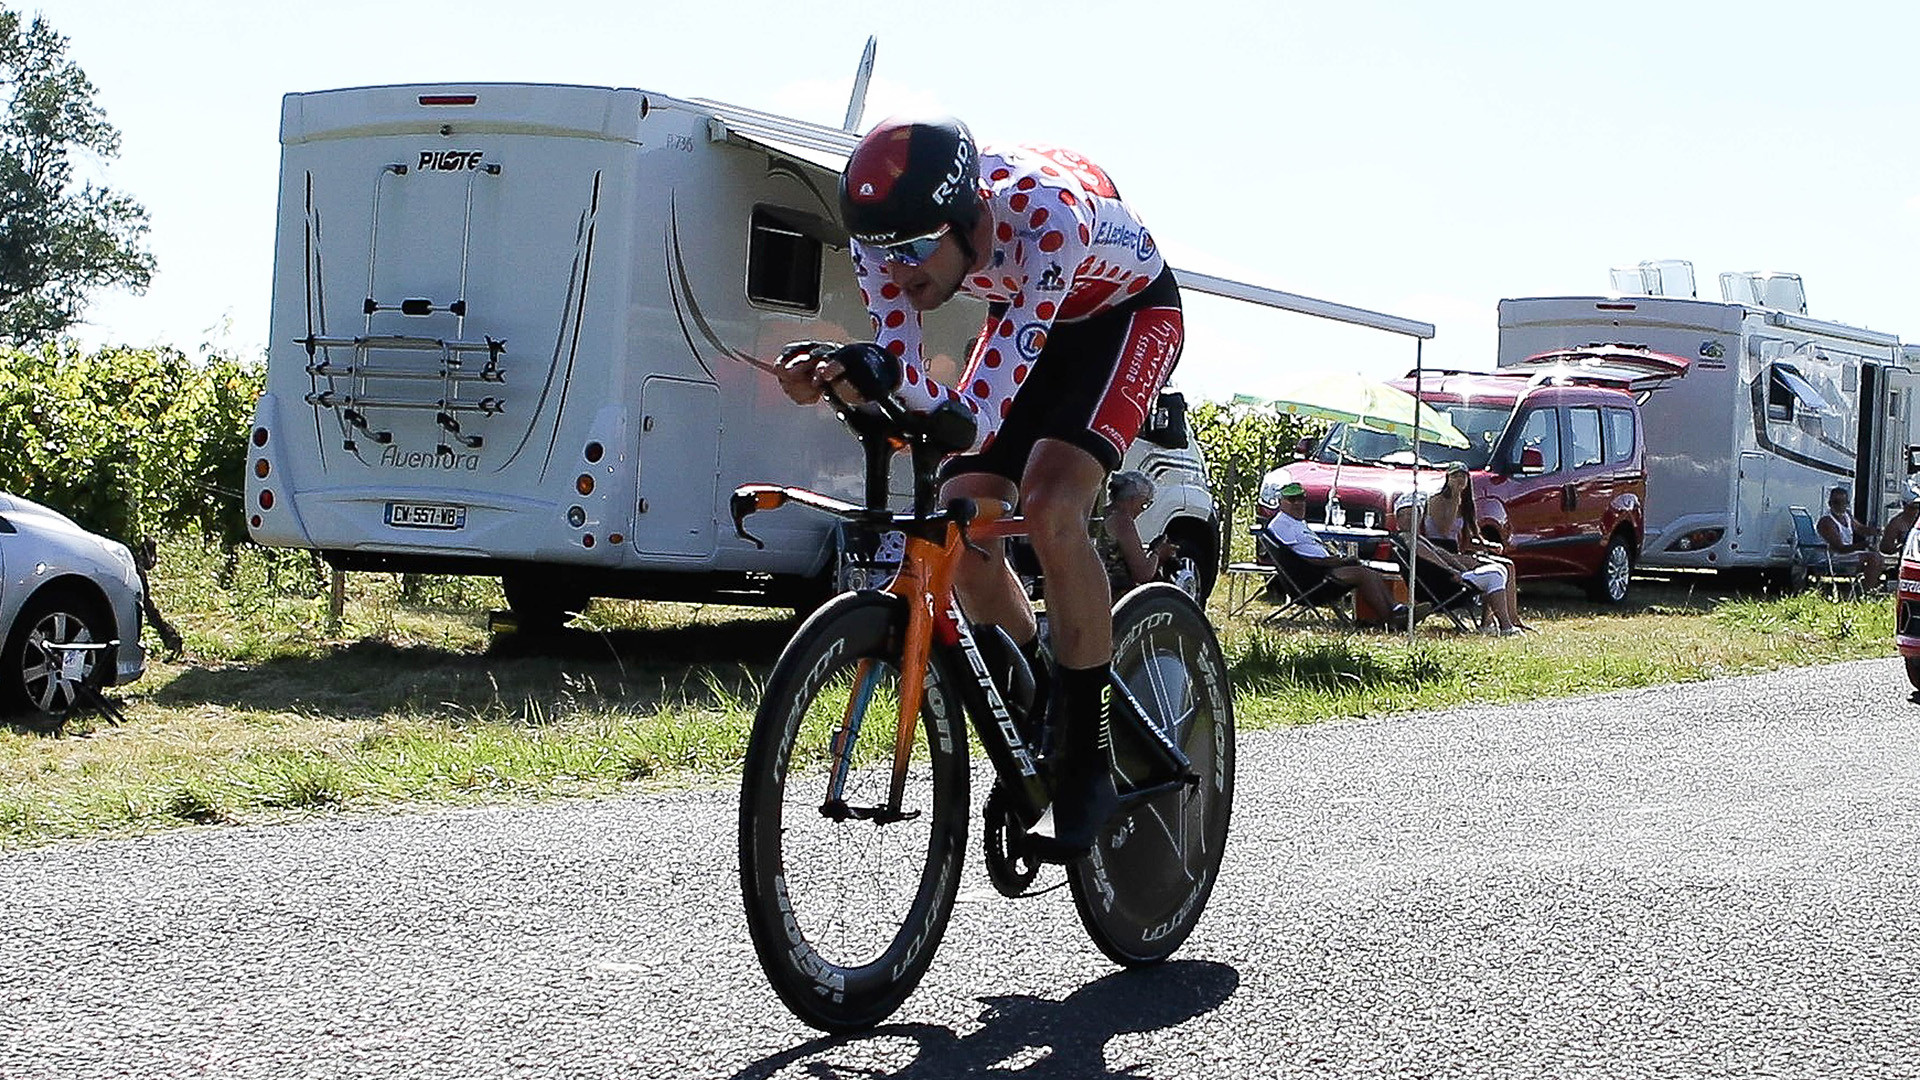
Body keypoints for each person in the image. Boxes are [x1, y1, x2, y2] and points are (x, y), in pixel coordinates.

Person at [776, 117, 1183, 859]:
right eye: (881, 252)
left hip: (1124, 317)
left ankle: (1086, 754)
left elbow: (975, 412)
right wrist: (840, 377)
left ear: (966, 217)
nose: (896, 271)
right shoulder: (888, 243)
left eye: (913, 249)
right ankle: (1037, 695)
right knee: (960, 522)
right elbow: (906, 391)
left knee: (1053, 503)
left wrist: (884, 379)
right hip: (1030, 315)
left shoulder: (1044, 218)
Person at [1264, 483, 1423, 627]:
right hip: (1311, 580)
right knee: (1362, 574)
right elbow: (1302, 559)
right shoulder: (1282, 524)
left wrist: (1339, 560)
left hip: (1320, 571)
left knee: (1370, 572)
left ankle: (1395, 610)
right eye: (1292, 500)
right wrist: (1334, 562)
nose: (1299, 504)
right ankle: (1390, 619)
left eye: (1302, 499)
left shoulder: (1295, 522)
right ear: (1281, 502)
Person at [1410, 463, 1530, 634]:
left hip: (1455, 550)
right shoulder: (1437, 500)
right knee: (1492, 570)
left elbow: (1469, 539)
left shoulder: (1466, 505)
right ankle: (1503, 623)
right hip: (1438, 549)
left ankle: (1504, 619)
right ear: (1448, 479)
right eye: (1455, 476)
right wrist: (1454, 499)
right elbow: (1444, 529)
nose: (1459, 480)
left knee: (1507, 565)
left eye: (1463, 476)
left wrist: (1488, 545)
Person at [1099, 470, 1179, 596]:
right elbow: (1143, 573)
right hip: (1114, 593)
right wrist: (1159, 553)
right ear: (1132, 498)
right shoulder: (1122, 521)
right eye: (1144, 503)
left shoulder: (1103, 515)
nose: (1142, 510)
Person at [1817, 485, 1884, 589]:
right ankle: (1865, 591)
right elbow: (1840, 548)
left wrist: (1879, 531)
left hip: (1847, 554)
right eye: (1836, 502)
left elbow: (1861, 529)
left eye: (1844, 502)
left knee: (1879, 558)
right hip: (1833, 557)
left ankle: (1867, 587)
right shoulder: (1827, 522)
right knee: (1873, 558)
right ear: (1830, 504)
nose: (1840, 505)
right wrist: (1862, 545)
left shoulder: (1846, 516)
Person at [1879, 492, 1920, 559]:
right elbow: (1885, 547)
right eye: (1913, 507)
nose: (1917, 511)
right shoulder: (1897, 523)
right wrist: (1902, 545)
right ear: (1904, 506)